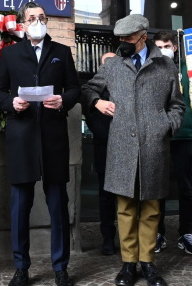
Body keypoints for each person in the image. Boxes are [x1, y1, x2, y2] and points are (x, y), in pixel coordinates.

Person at [81, 14, 184, 286]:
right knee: (125, 207)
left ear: (143, 36)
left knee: (151, 207)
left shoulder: (165, 66)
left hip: (154, 144)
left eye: (127, 38)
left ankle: (148, 262)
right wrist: (98, 103)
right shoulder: (113, 66)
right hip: (121, 145)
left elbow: (177, 105)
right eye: (120, 39)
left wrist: (166, 125)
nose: (123, 43)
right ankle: (128, 263)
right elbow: (88, 89)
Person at [0, 2, 81, 286]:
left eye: (42, 18)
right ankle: (21, 269)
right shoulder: (10, 53)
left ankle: (61, 269)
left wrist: (64, 101)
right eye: (32, 18)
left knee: (57, 205)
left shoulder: (62, 52)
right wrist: (11, 104)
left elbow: (74, 89)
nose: (38, 22)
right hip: (22, 136)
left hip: (54, 138)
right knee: (20, 207)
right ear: (23, 24)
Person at [152, 30, 192, 255]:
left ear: (175, 47)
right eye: (158, 46)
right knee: (158, 187)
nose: (163, 50)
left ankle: (186, 232)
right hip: (159, 136)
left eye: (166, 46)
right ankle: (158, 232)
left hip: (184, 136)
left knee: (186, 188)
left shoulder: (188, 71)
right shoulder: (150, 70)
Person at [83, 52, 117, 256]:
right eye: (107, 63)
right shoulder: (95, 89)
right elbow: (91, 118)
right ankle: (108, 238)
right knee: (106, 195)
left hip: (127, 146)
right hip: (104, 146)